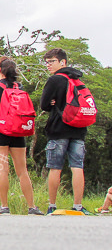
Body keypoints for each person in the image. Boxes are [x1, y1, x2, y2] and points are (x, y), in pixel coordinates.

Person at [0, 57, 42, 215]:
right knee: (22, 170)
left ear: (0, 70)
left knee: (2, 169)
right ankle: (32, 206)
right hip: (18, 130)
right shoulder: (20, 87)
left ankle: (4, 206)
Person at [39, 48, 90, 214]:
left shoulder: (55, 80)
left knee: (55, 167)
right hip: (79, 129)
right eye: (46, 62)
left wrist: (53, 102)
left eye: (51, 61)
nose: (48, 65)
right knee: (77, 167)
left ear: (63, 62)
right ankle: (78, 206)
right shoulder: (78, 79)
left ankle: (52, 206)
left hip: (58, 128)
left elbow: (44, 105)